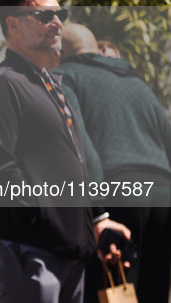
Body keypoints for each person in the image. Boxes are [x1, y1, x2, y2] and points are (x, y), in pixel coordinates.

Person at [0, 0, 130, 303]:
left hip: (67, 249)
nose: (57, 23)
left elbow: (72, 163)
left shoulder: (51, 85)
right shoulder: (1, 84)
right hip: (29, 250)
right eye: (45, 15)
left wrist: (95, 223)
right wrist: (49, 221)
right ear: (14, 26)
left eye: (60, 14)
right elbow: (1, 170)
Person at [54, 23, 171, 303]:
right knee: (153, 292)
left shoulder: (64, 77)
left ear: (59, 52)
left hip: (119, 196)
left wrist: (98, 212)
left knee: (115, 291)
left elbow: (79, 145)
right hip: (163, 197)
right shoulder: (135, 82)